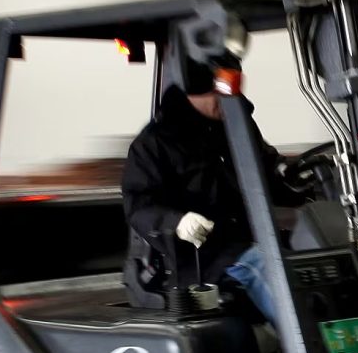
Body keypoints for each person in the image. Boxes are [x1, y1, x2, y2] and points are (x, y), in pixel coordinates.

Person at [121, 55, 305, 320]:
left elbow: (268, 173)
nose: (224, 99)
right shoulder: (155, 144)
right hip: (204, 257)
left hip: (255, 238)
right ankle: (309, 342)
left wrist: (298, 178)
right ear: (193, 88)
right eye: (216, 91)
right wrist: (177, 222)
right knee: (267, 266)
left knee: (320, 259)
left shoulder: (236, 127)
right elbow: (139, 206)